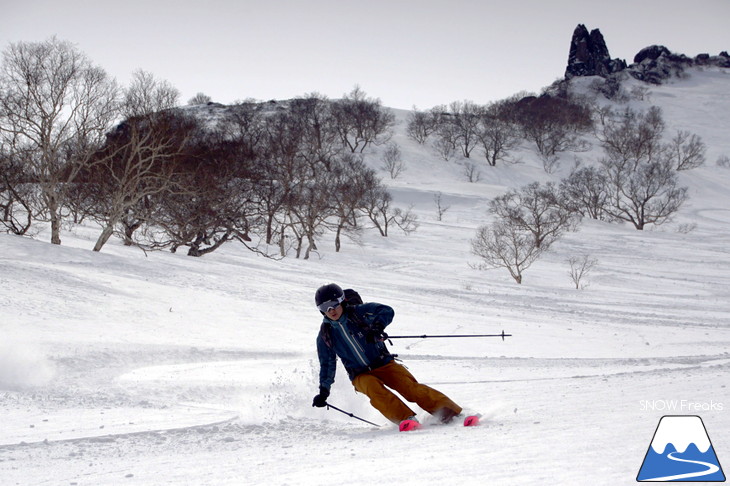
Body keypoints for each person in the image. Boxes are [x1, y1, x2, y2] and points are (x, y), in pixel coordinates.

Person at [311, 283, 462, 426]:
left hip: (383, 363)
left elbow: (386, 310)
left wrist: (377, 327)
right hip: (359, 375)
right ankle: (406, 420)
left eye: (334, 304)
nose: (331, 310)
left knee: (410, 388)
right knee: (373, 388)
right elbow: (327, 364)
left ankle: (450, 413)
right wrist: (324, 391)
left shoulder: (359, 312)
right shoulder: (326, 335)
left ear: (342, 300)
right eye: (325, 307)